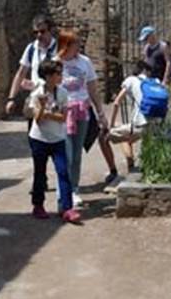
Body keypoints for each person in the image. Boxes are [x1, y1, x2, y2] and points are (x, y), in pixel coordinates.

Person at [55, 29, 109, 208]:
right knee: (66, 154)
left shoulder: (85, 62)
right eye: (76, 42)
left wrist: (100, 113)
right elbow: (49, 87)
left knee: (77, 154)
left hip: (82, 112)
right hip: (63, 113)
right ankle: (63, 189)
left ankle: (74, 189)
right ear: (67, 44)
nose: (79, 45)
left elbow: (92, 87)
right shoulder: (56, 62)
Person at [25, 60, 81, 223]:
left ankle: (67, 208)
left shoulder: (62, 93)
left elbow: (63, 117)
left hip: (57, 139)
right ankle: (38, 205)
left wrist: (47, 113)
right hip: (39, 139)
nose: (61, 76)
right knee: (40, 173)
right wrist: (43, 109)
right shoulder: (37, 94)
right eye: (58, 73)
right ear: (48, 76)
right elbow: (37, 119)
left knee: (63, 172)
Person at [107, 60, 158, 178]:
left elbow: (116, 103)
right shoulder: (155, 81)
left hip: (140, 125)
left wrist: (112, 125)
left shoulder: (131, 80)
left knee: (120, 137)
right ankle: (147, 169)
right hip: (157, 125)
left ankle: (131, 168)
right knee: (144, 139)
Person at [6, 15, 57, 115]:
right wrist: (11, 98)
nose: (39, 35)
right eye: (35, 32)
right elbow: (21, 73)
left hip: (56, 101)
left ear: (51, 30)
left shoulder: (60, 48)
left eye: (42, 31)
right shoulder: (31, 48)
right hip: (36, 101)